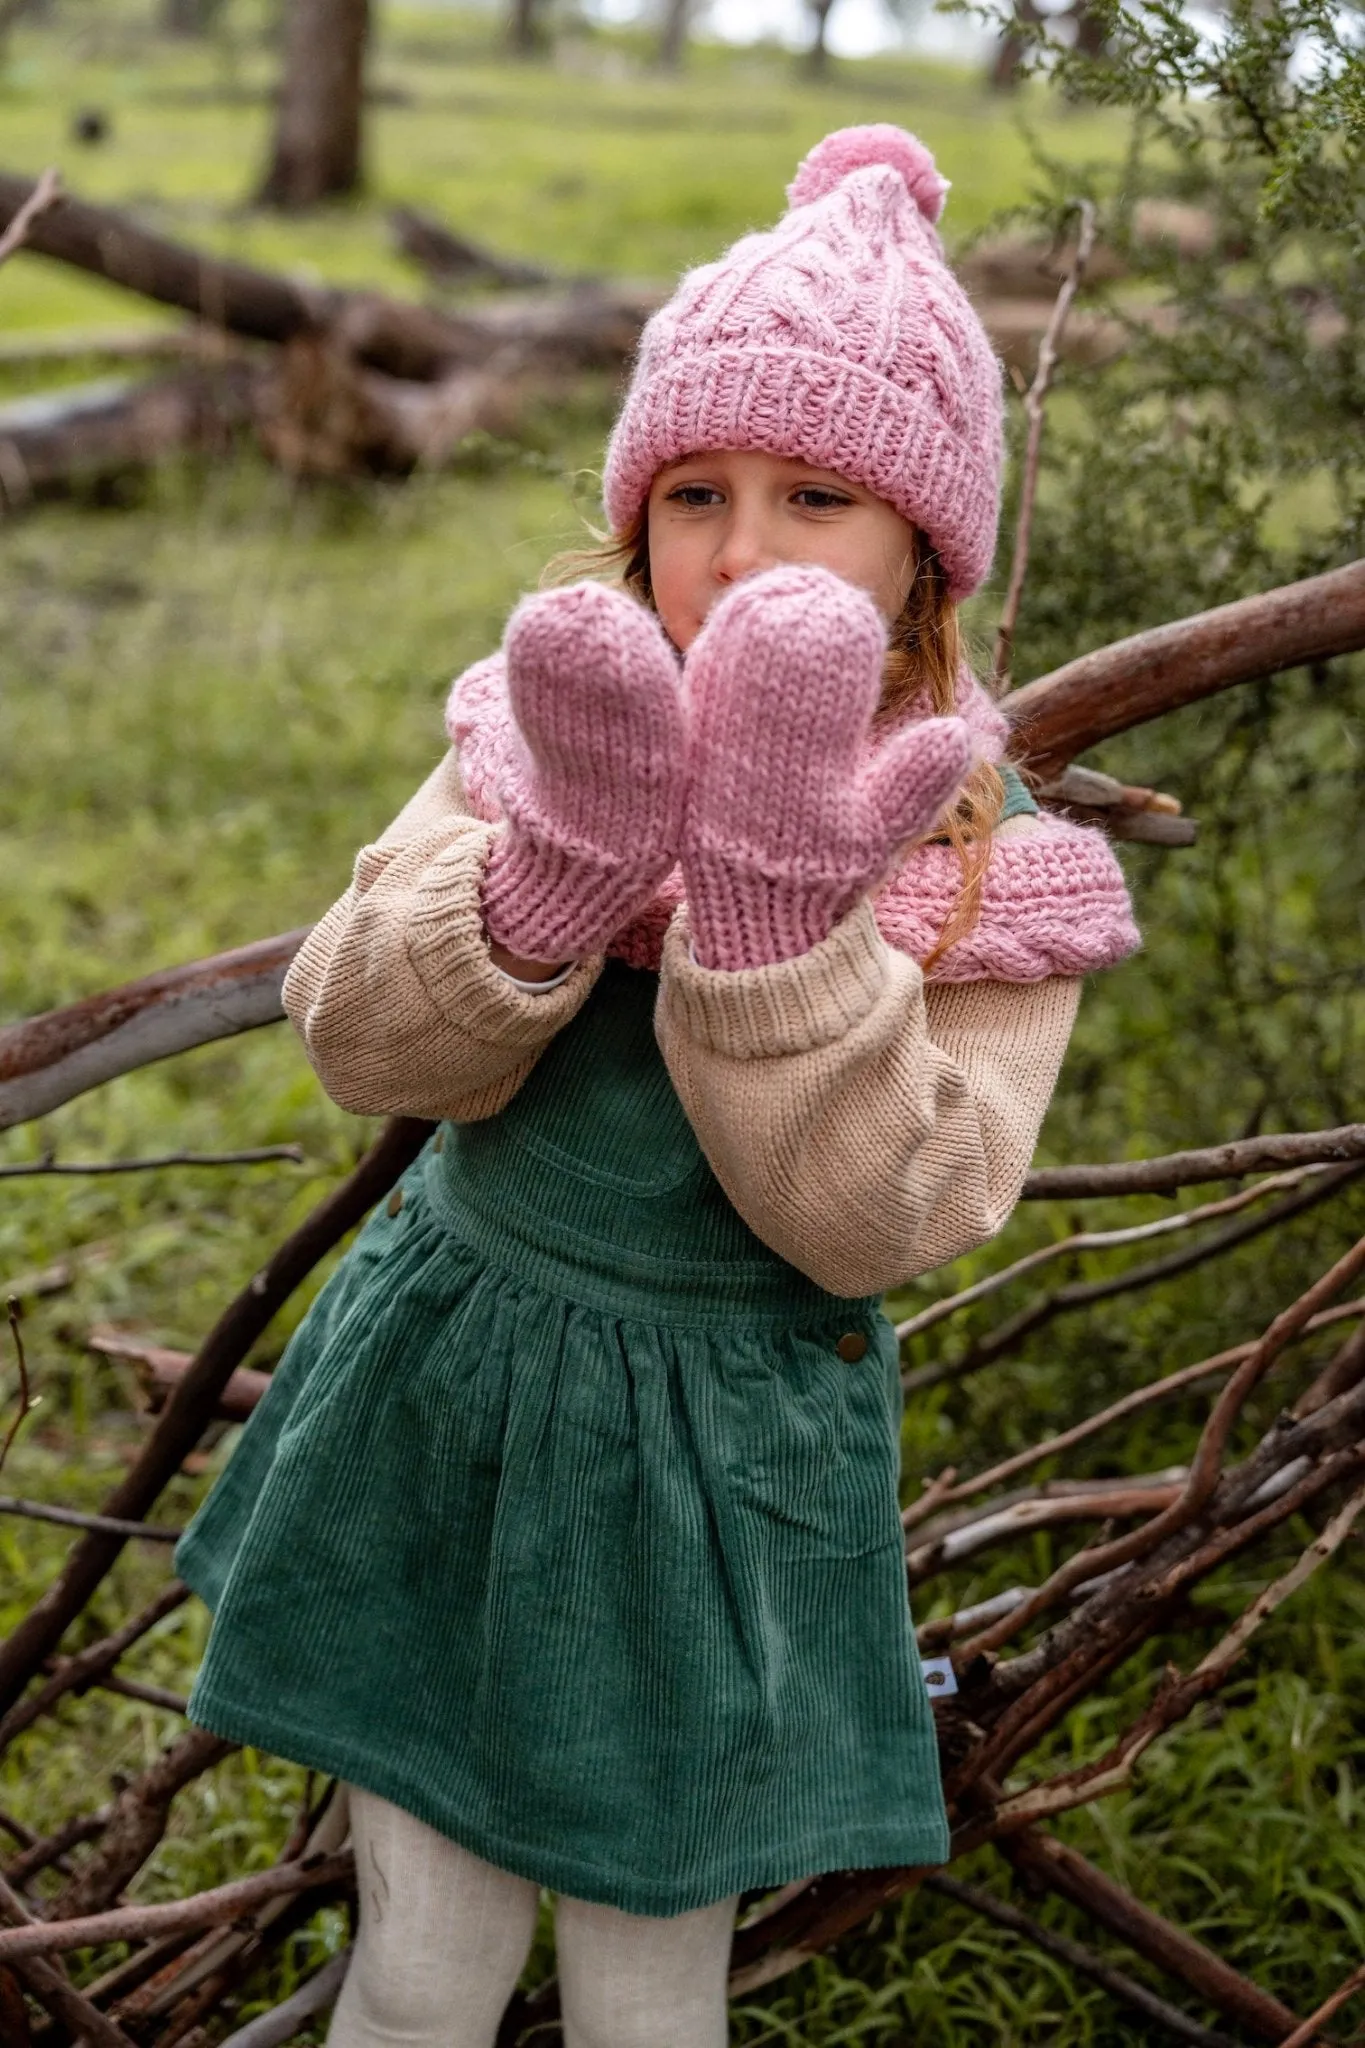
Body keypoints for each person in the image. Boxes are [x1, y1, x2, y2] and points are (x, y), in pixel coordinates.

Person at [174, 123, 1139, 2048]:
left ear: (924, 556)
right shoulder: (552, 720)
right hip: (455, 1409)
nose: (744, 549)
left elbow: (885, 1218)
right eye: (693, 488)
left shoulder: (970, 855)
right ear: (630, 515)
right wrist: (550, 878)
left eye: (817, 499)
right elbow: (360, 1035)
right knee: (425, 1970)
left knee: (647, 2000)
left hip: (723, 1471)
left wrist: (781, 929)